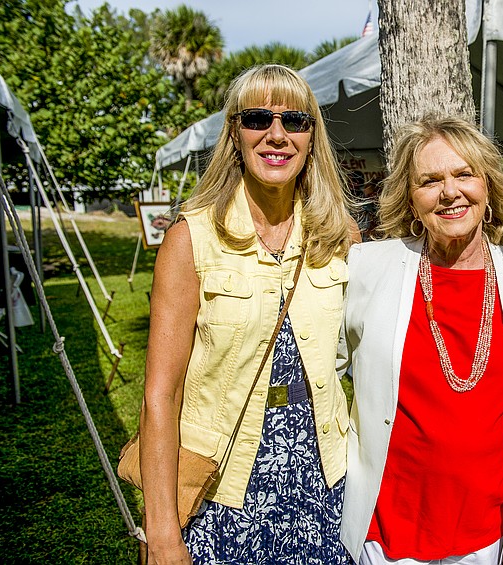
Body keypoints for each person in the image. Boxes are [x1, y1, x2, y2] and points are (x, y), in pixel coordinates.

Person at [140, 64, 358, 565]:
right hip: (223, 496)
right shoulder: (189, 238)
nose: (277, 135)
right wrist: (163, 536)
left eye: (295, 121)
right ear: (234, 133)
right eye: (258, 118)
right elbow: (159, 395)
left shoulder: (339, 236)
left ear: (311, 136)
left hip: (324, 489)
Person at [338, 115, 503, 564]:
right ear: (411, 200)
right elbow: (320, 370)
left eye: (464, 174)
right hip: (385, 530)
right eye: (430, 180)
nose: (449, 191)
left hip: (483, 533)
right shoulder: (368, 268)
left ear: (487, 186)